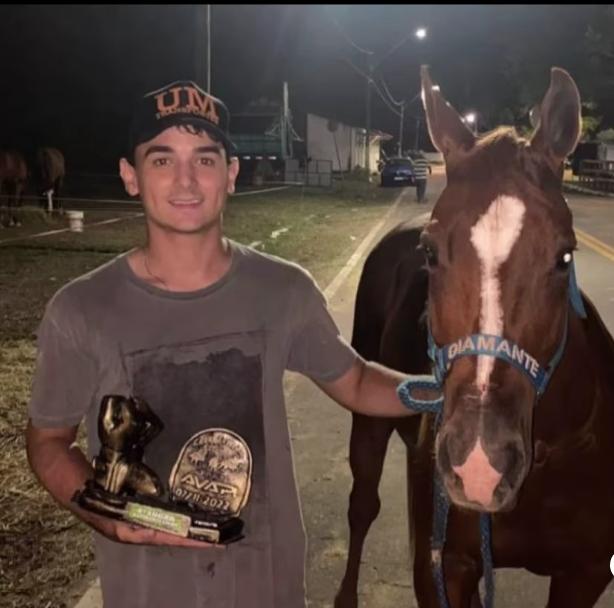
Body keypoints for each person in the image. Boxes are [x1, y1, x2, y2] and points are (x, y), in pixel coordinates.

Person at [25, 80, 429, 608]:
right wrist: (108, 517)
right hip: (147, 593)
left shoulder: (284, 289)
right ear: (130, 175)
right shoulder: (82, 310)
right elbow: (47, 443)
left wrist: (442, 388)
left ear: (231, 175)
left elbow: (354, 380)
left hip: (269, 587)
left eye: (206, 160)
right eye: (163, 160)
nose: (186, 179)